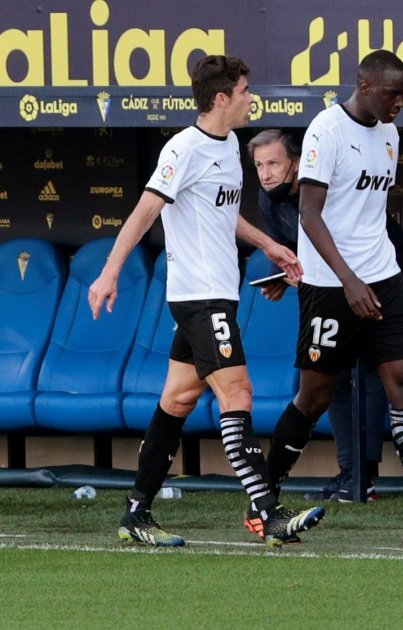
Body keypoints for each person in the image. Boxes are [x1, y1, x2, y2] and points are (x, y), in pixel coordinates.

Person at [87, 55, 324, 549]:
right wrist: (109, 272)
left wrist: (268, 244)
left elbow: (222, 213)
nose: (250, 99)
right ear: (221, 98)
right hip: (199, 297)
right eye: (244, 91)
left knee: (177, 400)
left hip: (220, 293)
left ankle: (136, 513)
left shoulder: (231, 144)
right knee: (237, 394)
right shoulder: (183, 148)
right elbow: (145, 211)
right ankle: (268, 512)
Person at [260, 50, 403, 547]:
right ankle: (264, 500)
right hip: (330, 284)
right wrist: (348, 280)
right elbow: (310, 215)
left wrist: (371, 275)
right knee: (314, 395)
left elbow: (367, 212)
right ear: (364, 86)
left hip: (382, 276)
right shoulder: (326, 130)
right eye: (392, 94)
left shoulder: (389, 132)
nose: (400, 103)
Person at [245, 129, 403, 506]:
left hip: (382, 272)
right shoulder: (269, 199)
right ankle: (350, 472)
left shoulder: (325, 189)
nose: (266, 174)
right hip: (329, 284)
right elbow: (292, 248)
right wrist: (281, 277)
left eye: (274, 163)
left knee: (374, 368)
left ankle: (365, 476)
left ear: (296, 163)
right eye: (259, 166)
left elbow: (350, 243)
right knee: (329, 375)